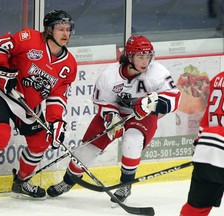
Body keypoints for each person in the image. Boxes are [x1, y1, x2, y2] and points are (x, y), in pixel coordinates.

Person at [46, 35, 181, 205]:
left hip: (143, 116)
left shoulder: (158, 72)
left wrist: (153, 103)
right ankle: (67, 182)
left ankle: (125, 185)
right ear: (129, 56)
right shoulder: (110, 75)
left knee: (132, 141)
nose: (145, 61)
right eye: (140, 56)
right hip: (115, 113)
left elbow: (175, 97)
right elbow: (101, 101)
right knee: (85, 152)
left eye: (148, 56)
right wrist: (110, 116)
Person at [0, 10, 77, 207]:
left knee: (40, 142)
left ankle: (21, 182)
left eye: (68, 30)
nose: (65, 34)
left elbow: (57, 96)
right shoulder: (29, 38)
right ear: (48, 30)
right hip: (0, 92)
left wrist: (56, 122)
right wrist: (5, 70)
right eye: (60, 29)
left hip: (28, 104)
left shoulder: (69, 64)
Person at [180, 72, 224, 216]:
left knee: (196, 208)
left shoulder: (219, 78)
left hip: (208, 148)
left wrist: (199, 143)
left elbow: (207, 116)